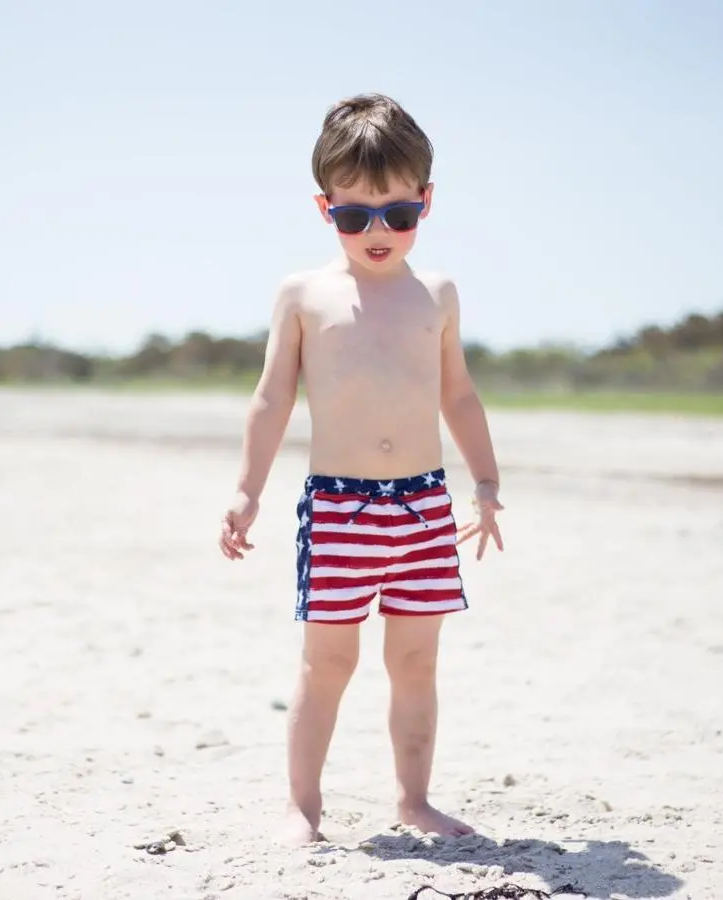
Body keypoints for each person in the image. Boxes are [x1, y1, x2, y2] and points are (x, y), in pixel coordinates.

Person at [219, 92, 504, 844]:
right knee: (328, 661)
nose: (377, 232)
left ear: (425, 202)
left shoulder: (436, 294)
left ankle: (414, 801)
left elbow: (460, 395)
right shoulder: (305, 295)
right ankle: (302, 809)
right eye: (355, 216)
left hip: (424, 507)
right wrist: (247, 491)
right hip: (340, 509)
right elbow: (271, 397)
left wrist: (486, 482)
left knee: (416, 662)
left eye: (398, 215)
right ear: (326, 209)